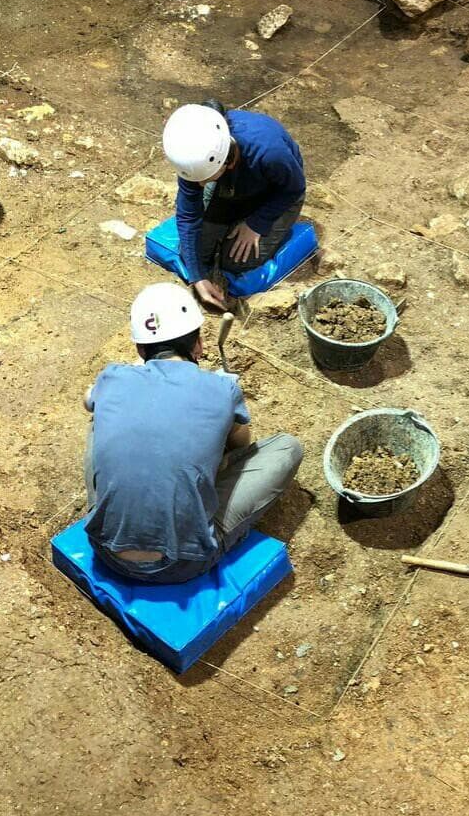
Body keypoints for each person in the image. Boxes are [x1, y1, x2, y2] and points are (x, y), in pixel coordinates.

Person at [82, 282, 303, 584]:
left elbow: (88, 400)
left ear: (139, 349)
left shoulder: (111, 378)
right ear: (198, 345)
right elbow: (240, 447)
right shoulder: (223, 389)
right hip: (180, 564)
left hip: (104, 550)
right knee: (287, 448)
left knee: (99, 419)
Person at [163, 101, 306, 311]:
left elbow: (295, 188)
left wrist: (257, 224)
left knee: (236, 261)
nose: (200, 185)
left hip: (276, 193)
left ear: (227, 162)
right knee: (193, 253)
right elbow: (188, 216)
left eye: (205, 179)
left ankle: (247, 220)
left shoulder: (269, 152)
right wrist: (197, 278)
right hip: (230, 186)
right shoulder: (193, 153)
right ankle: (233, 219)